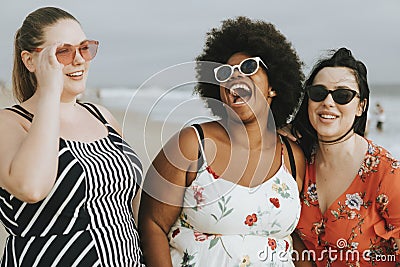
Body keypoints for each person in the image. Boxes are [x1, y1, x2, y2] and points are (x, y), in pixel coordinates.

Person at [139, 17, 308, 266]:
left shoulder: (293, 157)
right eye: (225, 72)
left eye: (249, 67)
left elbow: (292, 236)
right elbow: (151, 224)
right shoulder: (191, 145)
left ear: (274, 87)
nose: (235, 76)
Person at [0, 7, 144, 266]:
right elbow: (31, 188)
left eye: (85, 48)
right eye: (63, 52)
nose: (79, 60)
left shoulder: (102, 116)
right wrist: (50, 92)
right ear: (30, 61)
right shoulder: (9, 122)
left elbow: (133, 203)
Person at [292, 48, 400, 266]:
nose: (328, 102)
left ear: (361, 106)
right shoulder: (297, 161)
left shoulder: (385, 173)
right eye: (318, 93)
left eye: (343, 95)